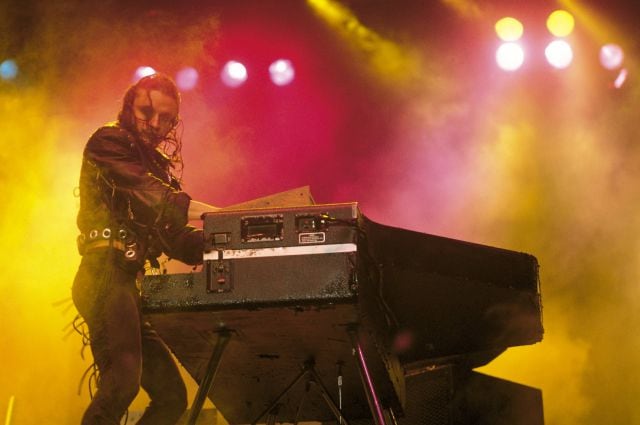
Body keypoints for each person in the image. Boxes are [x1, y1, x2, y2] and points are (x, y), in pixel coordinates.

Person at [72, 73, 218, 424]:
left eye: (165, 118)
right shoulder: (107, 142)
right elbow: (153, 198)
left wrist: (235, 237)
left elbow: (178, 240)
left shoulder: (157, 166)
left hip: (128, 285)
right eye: (145, 111)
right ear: (127, 106)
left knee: (171, 398)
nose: (155, 124)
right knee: (122, 384)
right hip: (103, 275)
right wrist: (226, 216)